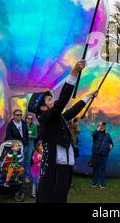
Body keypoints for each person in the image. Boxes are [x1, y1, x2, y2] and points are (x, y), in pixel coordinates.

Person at [27, 59, 97, 203]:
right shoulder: (46, 117)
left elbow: (71, 111)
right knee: (50, 197)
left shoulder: (56, 118)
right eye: (49, 100)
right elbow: (63, 100)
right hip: (55, 167)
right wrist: (74, 72)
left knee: (61, 197)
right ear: (43, 108)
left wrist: (87, 97)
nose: (53, 101)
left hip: (65, 166)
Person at [91, 121, 114, 189]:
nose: (102, 127)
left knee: (103, 169)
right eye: (101, 126)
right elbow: (93, 135)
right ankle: (94, 183)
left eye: (103, 126)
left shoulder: (107, 134)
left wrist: (108, 149)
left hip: (104, 155)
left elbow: (111, 144)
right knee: (96, 169)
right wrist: (98, 127)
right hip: (96, 154)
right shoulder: (96, 133)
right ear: (98, 126)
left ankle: (102, 184)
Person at [24, 112, 38, 183]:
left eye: (31, 119)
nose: (30, 120)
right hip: (23, 144)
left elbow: (36, 135)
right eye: (28, 118)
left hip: (30, 144)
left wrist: (31, 136)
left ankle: (27, 176)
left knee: (28, 160)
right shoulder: (23, 126)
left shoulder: (34, 126)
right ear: (26, 119)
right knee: (21, 160)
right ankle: (21, 176)